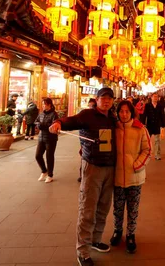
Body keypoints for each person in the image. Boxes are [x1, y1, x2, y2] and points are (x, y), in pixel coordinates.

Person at [49, 87, 117, 266]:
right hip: (93, 167)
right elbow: (70, 121)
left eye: (110, 98)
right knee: (88, 208)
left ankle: (96, 239)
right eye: (103, 98)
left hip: (110, 168)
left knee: (103, 207)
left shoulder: (113, 117)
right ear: (97, 99)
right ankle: (83, 251)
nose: (107, 101)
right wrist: (58, 123)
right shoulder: (87, 115)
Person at [110, 100, 151, 254]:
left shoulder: (140, 129)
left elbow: (147, 150)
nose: (124, 114)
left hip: (135, 177)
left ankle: (131, 234)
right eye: (121, 111)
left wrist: (137, 165)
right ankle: (117, 230)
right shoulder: (114, 128)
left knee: (133, 208)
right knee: (118, 207)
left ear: (132, 112)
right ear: (117, 113)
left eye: (127, 111)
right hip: (118, 176)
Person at [34, 98, 59, 183]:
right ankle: (44, 171)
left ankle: (50, 175)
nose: (43, 106)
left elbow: (52, 125)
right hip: (41, 137)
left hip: (51, 138)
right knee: (38, 155)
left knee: (49, 156)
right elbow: (36, 121)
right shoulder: (41, 114)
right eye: (42, 104)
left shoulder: (54, 114)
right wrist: (38, 125)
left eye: (44, 104)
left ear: (49, 105)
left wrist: (42, 125)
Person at [142, 93, 165, 160]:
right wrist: (143, 123)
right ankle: (146, 153)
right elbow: (145, 114)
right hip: (149, 125)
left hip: (157, 125)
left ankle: (157, 155)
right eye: (154, 97)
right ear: (151, 98)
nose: (155, 98)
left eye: (156, 97)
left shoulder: (160, 106)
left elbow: (162, 115)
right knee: (146, 140)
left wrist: (163, 125)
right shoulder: (147, 105)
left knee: (157, 141)